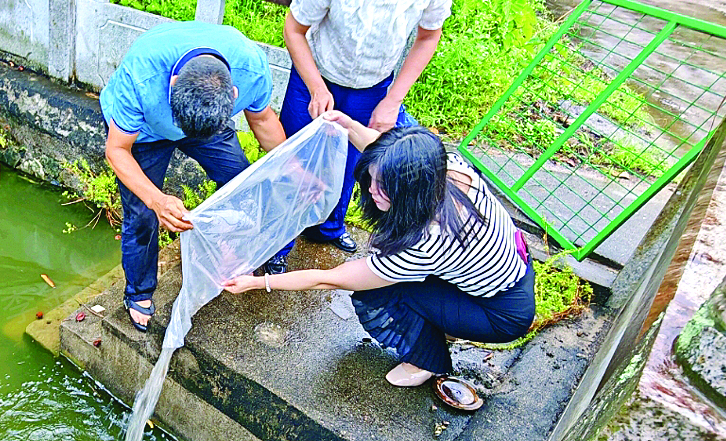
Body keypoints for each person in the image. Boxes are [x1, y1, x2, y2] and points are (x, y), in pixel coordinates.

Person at [225, 114, 535, 412]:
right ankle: (448, 318)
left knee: (385, 291)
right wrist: (347, 125)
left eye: (383, 187)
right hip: (508, 270)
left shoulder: (425, 242)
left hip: (502, 313)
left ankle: (425, 362)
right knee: (404, 280)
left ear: (410, 190)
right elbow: (386, 152)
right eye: (373, 179)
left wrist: (258, 282)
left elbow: (332, 278)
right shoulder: (449, 171)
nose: (372, 191)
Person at [269, 0, 455, 270]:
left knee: (357, 163)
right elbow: (294, 28)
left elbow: (428, 36)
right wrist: (316, 86)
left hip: (375, 84)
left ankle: (329, 230)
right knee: (297, 161)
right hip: (318, 74)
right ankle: (279, 244)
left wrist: (392, 100)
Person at [100, 20, 286, 330]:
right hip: (143, 135)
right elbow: (117, 150)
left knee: (242, 183)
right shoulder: (142, 74)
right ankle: (138, 292)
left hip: (205, 124)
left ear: (234, 93)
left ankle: (231, 251)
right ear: (171, 86)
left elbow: (264, 120)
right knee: (142, 216)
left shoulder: (250, 68)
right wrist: (157, 200)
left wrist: (291, 166)